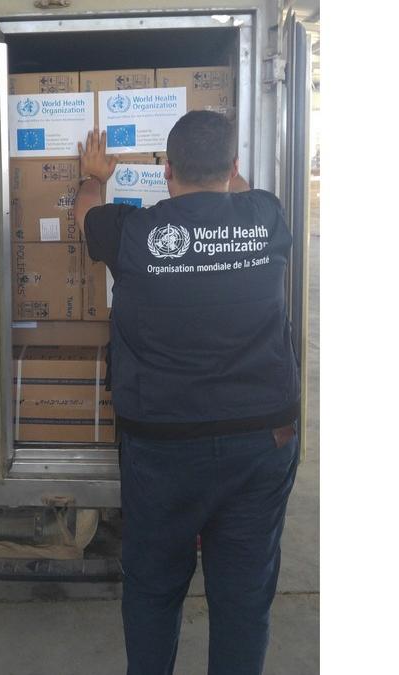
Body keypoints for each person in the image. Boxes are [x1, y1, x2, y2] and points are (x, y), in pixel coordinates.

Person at [74, 111, 301, 675]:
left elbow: (86, 216)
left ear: (167, 171)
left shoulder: (132, 232)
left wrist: (94, 176)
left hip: (163, 445)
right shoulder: (266, 215)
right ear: (234, 166)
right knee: (244, 595)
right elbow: (239, 189)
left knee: (154, 588)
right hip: (262, 440)